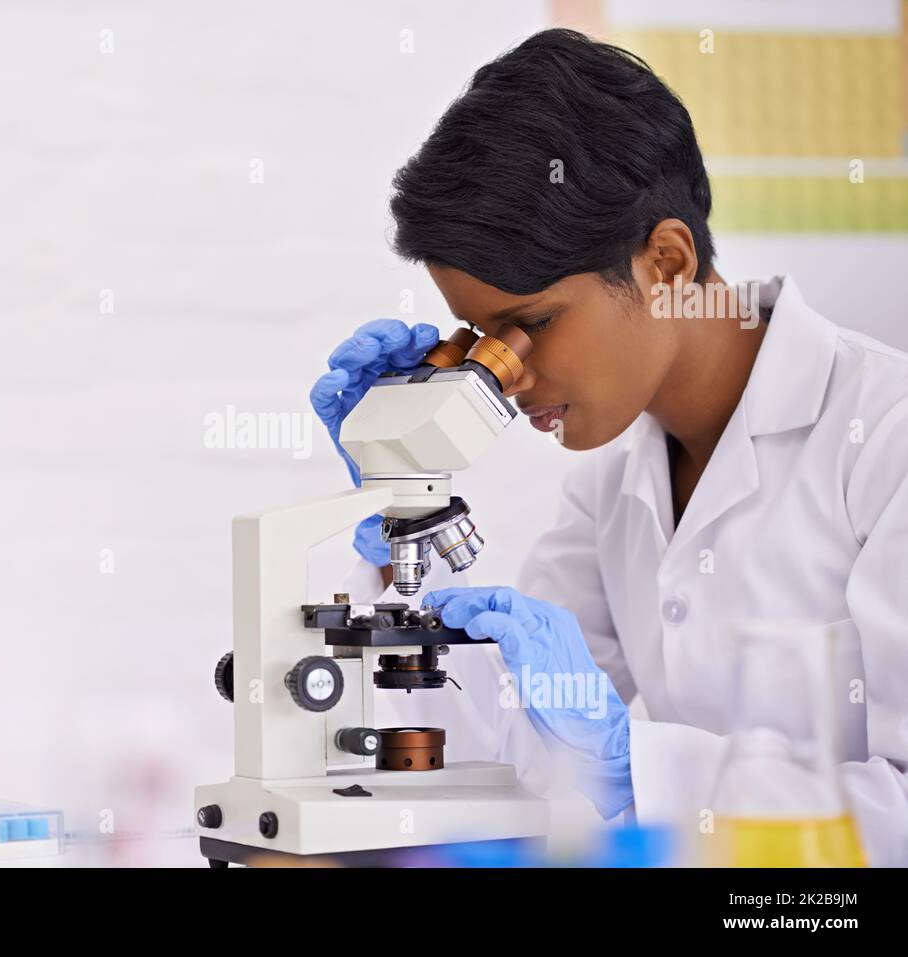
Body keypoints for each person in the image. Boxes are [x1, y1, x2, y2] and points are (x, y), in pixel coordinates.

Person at [310, 29, 908, 864]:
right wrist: (399, 490)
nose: (505, 376)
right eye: (481, 338)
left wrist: (641, 767)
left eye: (532, 325)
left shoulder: (886, 437)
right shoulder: (614, 479)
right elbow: (522, 752)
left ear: (666, 261)